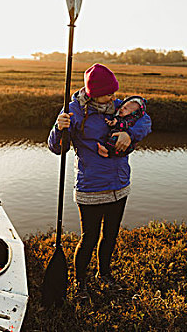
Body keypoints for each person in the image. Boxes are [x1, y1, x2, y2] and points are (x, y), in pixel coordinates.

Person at [48, 63, 152, 300]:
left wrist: (130, 134)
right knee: (89, 237)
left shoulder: (117, 107)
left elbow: (145, 120)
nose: (113, 98)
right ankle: (80, 282)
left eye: (114, 93)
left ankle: (104, 274)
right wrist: (58, 128)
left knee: (111, 234)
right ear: (93, 92)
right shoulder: (72, 111)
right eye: (108, 93)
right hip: (91, 187)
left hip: (119, 184)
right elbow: (56, 148)